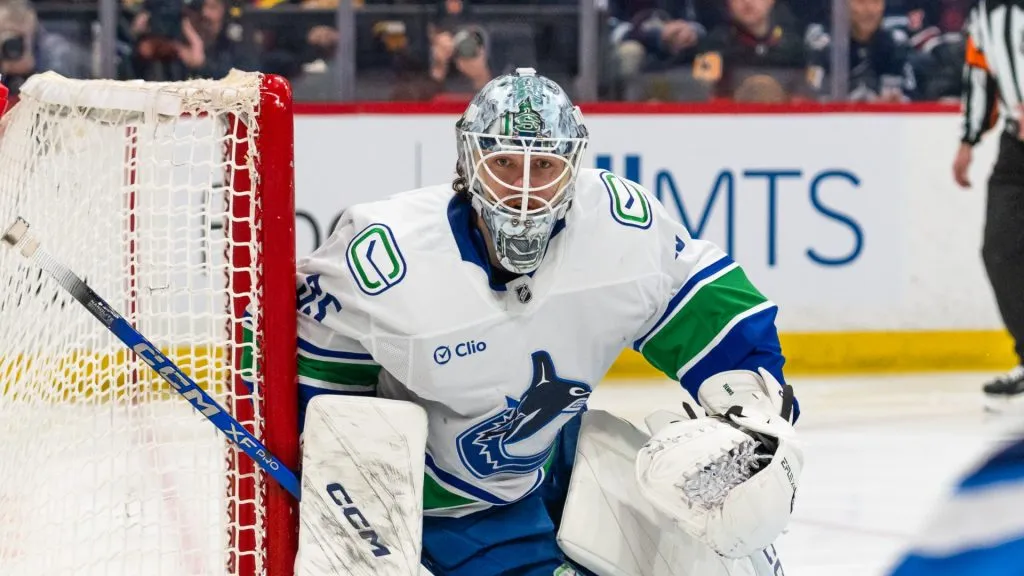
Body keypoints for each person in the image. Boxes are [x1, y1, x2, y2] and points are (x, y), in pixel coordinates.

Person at [293, 67, 803, 575]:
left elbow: (703, 300)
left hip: (560, 456)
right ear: (469, 162)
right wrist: (361, 522)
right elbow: (313, 389)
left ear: (572, 166)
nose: (524, 191)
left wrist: (750, 407)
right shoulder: (385, 257)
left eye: (544, 169)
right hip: (444, 508)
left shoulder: (617, 225)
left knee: (728, 563)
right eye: (506, 164)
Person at [952, 0, 1024, 411]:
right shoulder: (983, 12)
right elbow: (979, 75)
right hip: (1016, 146)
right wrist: (968, 139)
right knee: (1000, 250)